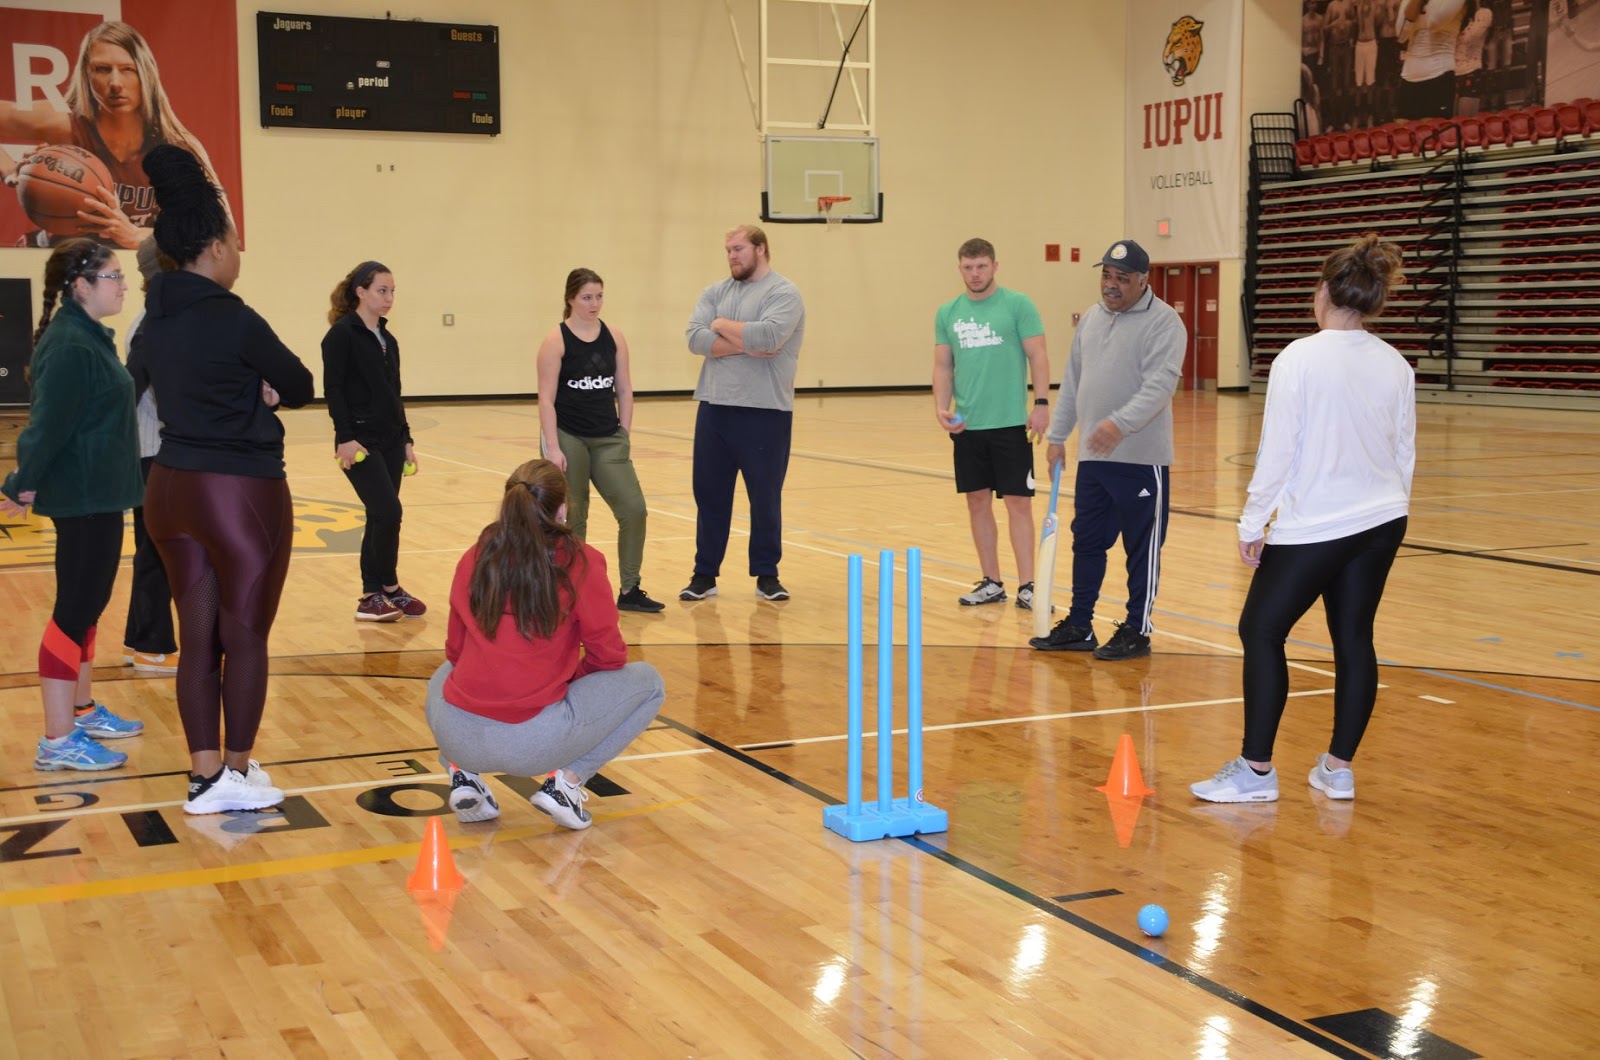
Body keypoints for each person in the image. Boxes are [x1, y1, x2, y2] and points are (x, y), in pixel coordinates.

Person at [1191, 235, 1414, 804]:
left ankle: (1256, 771)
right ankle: (1336, 769)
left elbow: (1278, 451)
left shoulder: (1298, 357)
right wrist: (1388, 510)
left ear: (1323, 292)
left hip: (1319, 522)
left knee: (1260, 630)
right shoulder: (1396, 364)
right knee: (1353, 637)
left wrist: (1251, 522)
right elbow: (1403, 451)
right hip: (1383, 517)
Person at [137, 144, 314, 815]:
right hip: (236, 491)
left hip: (170, 489)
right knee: (244, 637)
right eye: (234, 241)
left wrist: (245, 388)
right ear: (214, 247)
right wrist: (264, 392)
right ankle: (235, 773)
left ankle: (204, 774)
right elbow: (298, 383)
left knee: (196, 637)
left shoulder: (155, 317)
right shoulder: (232, 316)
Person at [425, 459, 666, 828]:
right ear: (563, 508)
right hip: (534, 744)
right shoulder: (582, 561)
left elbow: (455, 651)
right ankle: (566, 784)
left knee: (446, 671)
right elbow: (610, 656)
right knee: (648, 683)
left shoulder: (475, 556)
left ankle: (462, 773)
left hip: (456, 734)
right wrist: (569, 679)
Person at [1, 238, 145, 770]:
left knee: (88, 609)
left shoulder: (88, 337)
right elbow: (46, 427)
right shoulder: (69, 345)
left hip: (101, 495)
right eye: (113, 276)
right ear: (81, 286)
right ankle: (57, 740)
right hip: (84, 497)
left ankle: (81, 709)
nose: (122, 284)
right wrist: (22, 482)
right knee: (71, 614)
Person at [1029, 240, 1185, 662]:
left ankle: (1138, 628)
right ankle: (1080, 624)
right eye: (1106, 276)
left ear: (1142, 280)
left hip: (1140, 459)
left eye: (1122, 278)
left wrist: (1119, 424)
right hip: (1094, 461)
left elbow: (1160, 386)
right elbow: (1074, 382)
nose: (1111, 286)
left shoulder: (1165, 323)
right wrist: (1059, 437)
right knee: (1088, 542)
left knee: (1142, 547)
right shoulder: (1093, 319)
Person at [0, 20, 226, 249]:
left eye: (128, 69)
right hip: (61, 263)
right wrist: (10, 172)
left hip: (131, 272)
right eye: (102, 69)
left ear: (146, 75)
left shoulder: (177, 146)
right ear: (86, 75)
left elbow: (223, 233)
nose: (115, 83)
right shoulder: (65, 125)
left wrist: (139, 235)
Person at [681, 224, 806, 602]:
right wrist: (742, 340)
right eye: (728, 250)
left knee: (765, 497)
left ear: (761, 249)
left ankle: (767, 575)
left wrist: (720, 327)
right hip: (714, 407)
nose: (732, 256)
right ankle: (704, 574)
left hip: (765, 412)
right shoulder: (715, 292)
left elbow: (769, 338)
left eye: (738, 249)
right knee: (710, 495)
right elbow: (694, 338)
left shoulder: (784, 292)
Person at [931, 237, 1051, 608]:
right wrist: (941, 407)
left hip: (1011, 424)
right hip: (968, 426)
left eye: (981, 266)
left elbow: (1039, 355)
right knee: (977, 502)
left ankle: (1028, 585)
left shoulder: (1018, 305)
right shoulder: (947, 312)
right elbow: (942, 365)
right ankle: (992, 582)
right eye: (968, 267)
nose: (975, 273)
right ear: (960, 269)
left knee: (1018, 504)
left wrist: (1042, 403)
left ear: (995, 266)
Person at [537, 268, 665, 614]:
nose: (594, 304)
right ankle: (570, 592)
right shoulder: (556, 340)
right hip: (567, 436)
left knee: (634, 510)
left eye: (599, 296)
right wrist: (552, 447)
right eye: (587, 297)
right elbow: (546, 398)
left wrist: (624, 432)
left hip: (608, 437)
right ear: (570, 299)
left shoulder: (615, 336)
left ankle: (630, 588)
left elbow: (623, 388)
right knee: (574, 517)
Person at [322, 260, 426, 622]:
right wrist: (345, 437)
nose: (389, 297)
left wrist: (406, 438)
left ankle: (389, 589)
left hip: (391, 439)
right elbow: (333, 390)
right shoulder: (341, 335)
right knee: (387, 511)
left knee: (383, 517)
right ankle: (370, 595)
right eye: (382, 290)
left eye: (393, 291)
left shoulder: (388, 339)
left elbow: (394, 393)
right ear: (360, 292)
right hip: (360, 441)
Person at [120, 236, 179, 674]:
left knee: (152, 547)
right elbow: (134, 383)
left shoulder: (153, 316)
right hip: (155, 451)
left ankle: (138, 639)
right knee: (159, 550)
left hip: (152, 450)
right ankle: (150, 644)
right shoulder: (154, 322)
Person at [1396, 0, 1467, 120]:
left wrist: (1414, 15)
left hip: (1438, 74)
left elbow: (1434, 23)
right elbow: (1401, 34)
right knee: (1402, 134)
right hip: (1408, 75)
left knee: (1431, 133)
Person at [1453, 0, 1493, 116]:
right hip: (1451, 73)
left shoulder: (1484, 13)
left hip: (1470, 71)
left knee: (1466, 122)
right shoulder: (1455, 16)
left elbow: (1469, 37)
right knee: (1449, 124)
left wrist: (1454, 35)